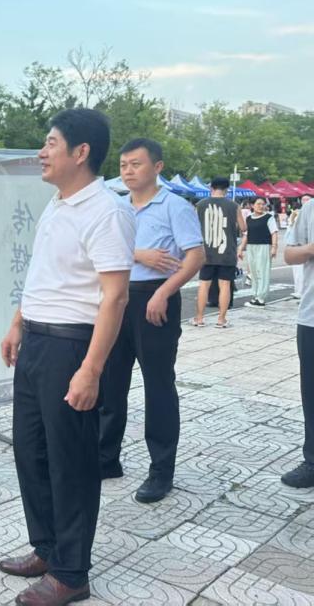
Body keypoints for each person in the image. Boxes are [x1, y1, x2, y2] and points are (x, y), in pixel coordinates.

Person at [0, 108, 134, 606]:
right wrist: (18, 323)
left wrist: (91, 370)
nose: (42, 152)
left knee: (70, 462)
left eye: (50, 143)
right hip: (37, 340)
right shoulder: (57, 204)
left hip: (73, 346)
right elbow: (41, 273)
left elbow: (115, 297)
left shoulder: (107, 211)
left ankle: (72, 572)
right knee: (31, 451)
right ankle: (48, 548)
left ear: (81, 152)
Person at [98, 138, 203, 504]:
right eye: (123, 165)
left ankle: (161, 469)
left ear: (157, 167)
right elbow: (103, 251)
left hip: (155, 299)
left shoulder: (174, 206)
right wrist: (139, 253)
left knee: (158, 386)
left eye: (136, 164)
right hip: (118, 298)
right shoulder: (117, 206)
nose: (128, 171)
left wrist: (164, 292)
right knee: (110, 382)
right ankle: (106, 458)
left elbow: (195, 256)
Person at [283, 194, 314, 489]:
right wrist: (310, 249)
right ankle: (312, 460)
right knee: (311, 392)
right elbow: (289, 255)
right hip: (311, 317)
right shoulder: (310, 209)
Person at [193, 178, 245, 328]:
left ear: (211, 187)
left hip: (206, 252)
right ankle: (221, 319)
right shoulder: (234, 206)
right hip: (227, 252)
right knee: (225, 284)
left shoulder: (200, 204)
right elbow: (243, 227)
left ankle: (199, 318)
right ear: (227, 189)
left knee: (204, 285)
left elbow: (193, 226)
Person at [240, 197, 278, 307]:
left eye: (263, 204)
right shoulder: (249, 218)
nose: (261, 206)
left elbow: (274, 233)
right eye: (258, 204)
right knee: (253, 272)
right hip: (251, 247)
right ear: (252, 205)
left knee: (262, 271)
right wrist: (241, 248)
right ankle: (255, 295)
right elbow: (246, 235)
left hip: (264, 247)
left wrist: (274, 247)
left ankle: (261, 298)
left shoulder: (268, 218)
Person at [291, 196, 312, 299]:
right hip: (300, 246)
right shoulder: (299, 211)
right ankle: (299, 290)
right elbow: (292, 227)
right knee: (298, 270)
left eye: (307, 199)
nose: (305, 201)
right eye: (303, 199)